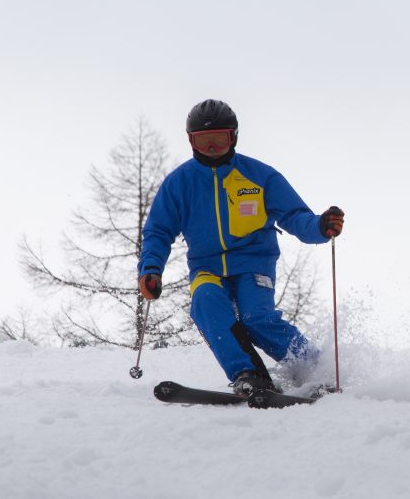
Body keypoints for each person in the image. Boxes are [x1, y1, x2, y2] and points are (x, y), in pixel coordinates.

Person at [137, 99, 344, 395]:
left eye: (218, 140)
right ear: (190, 141)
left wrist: (321, 226)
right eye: (203, 141)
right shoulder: (179, 183)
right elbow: (158, 231)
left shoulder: (259, 175)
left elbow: (294, 215)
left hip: (253, 263)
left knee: (255, 318)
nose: (211, 148)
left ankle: (314, 367)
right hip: (206, 267)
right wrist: (151, 269)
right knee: (205, 301)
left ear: (233, 137)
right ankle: (249, 374)